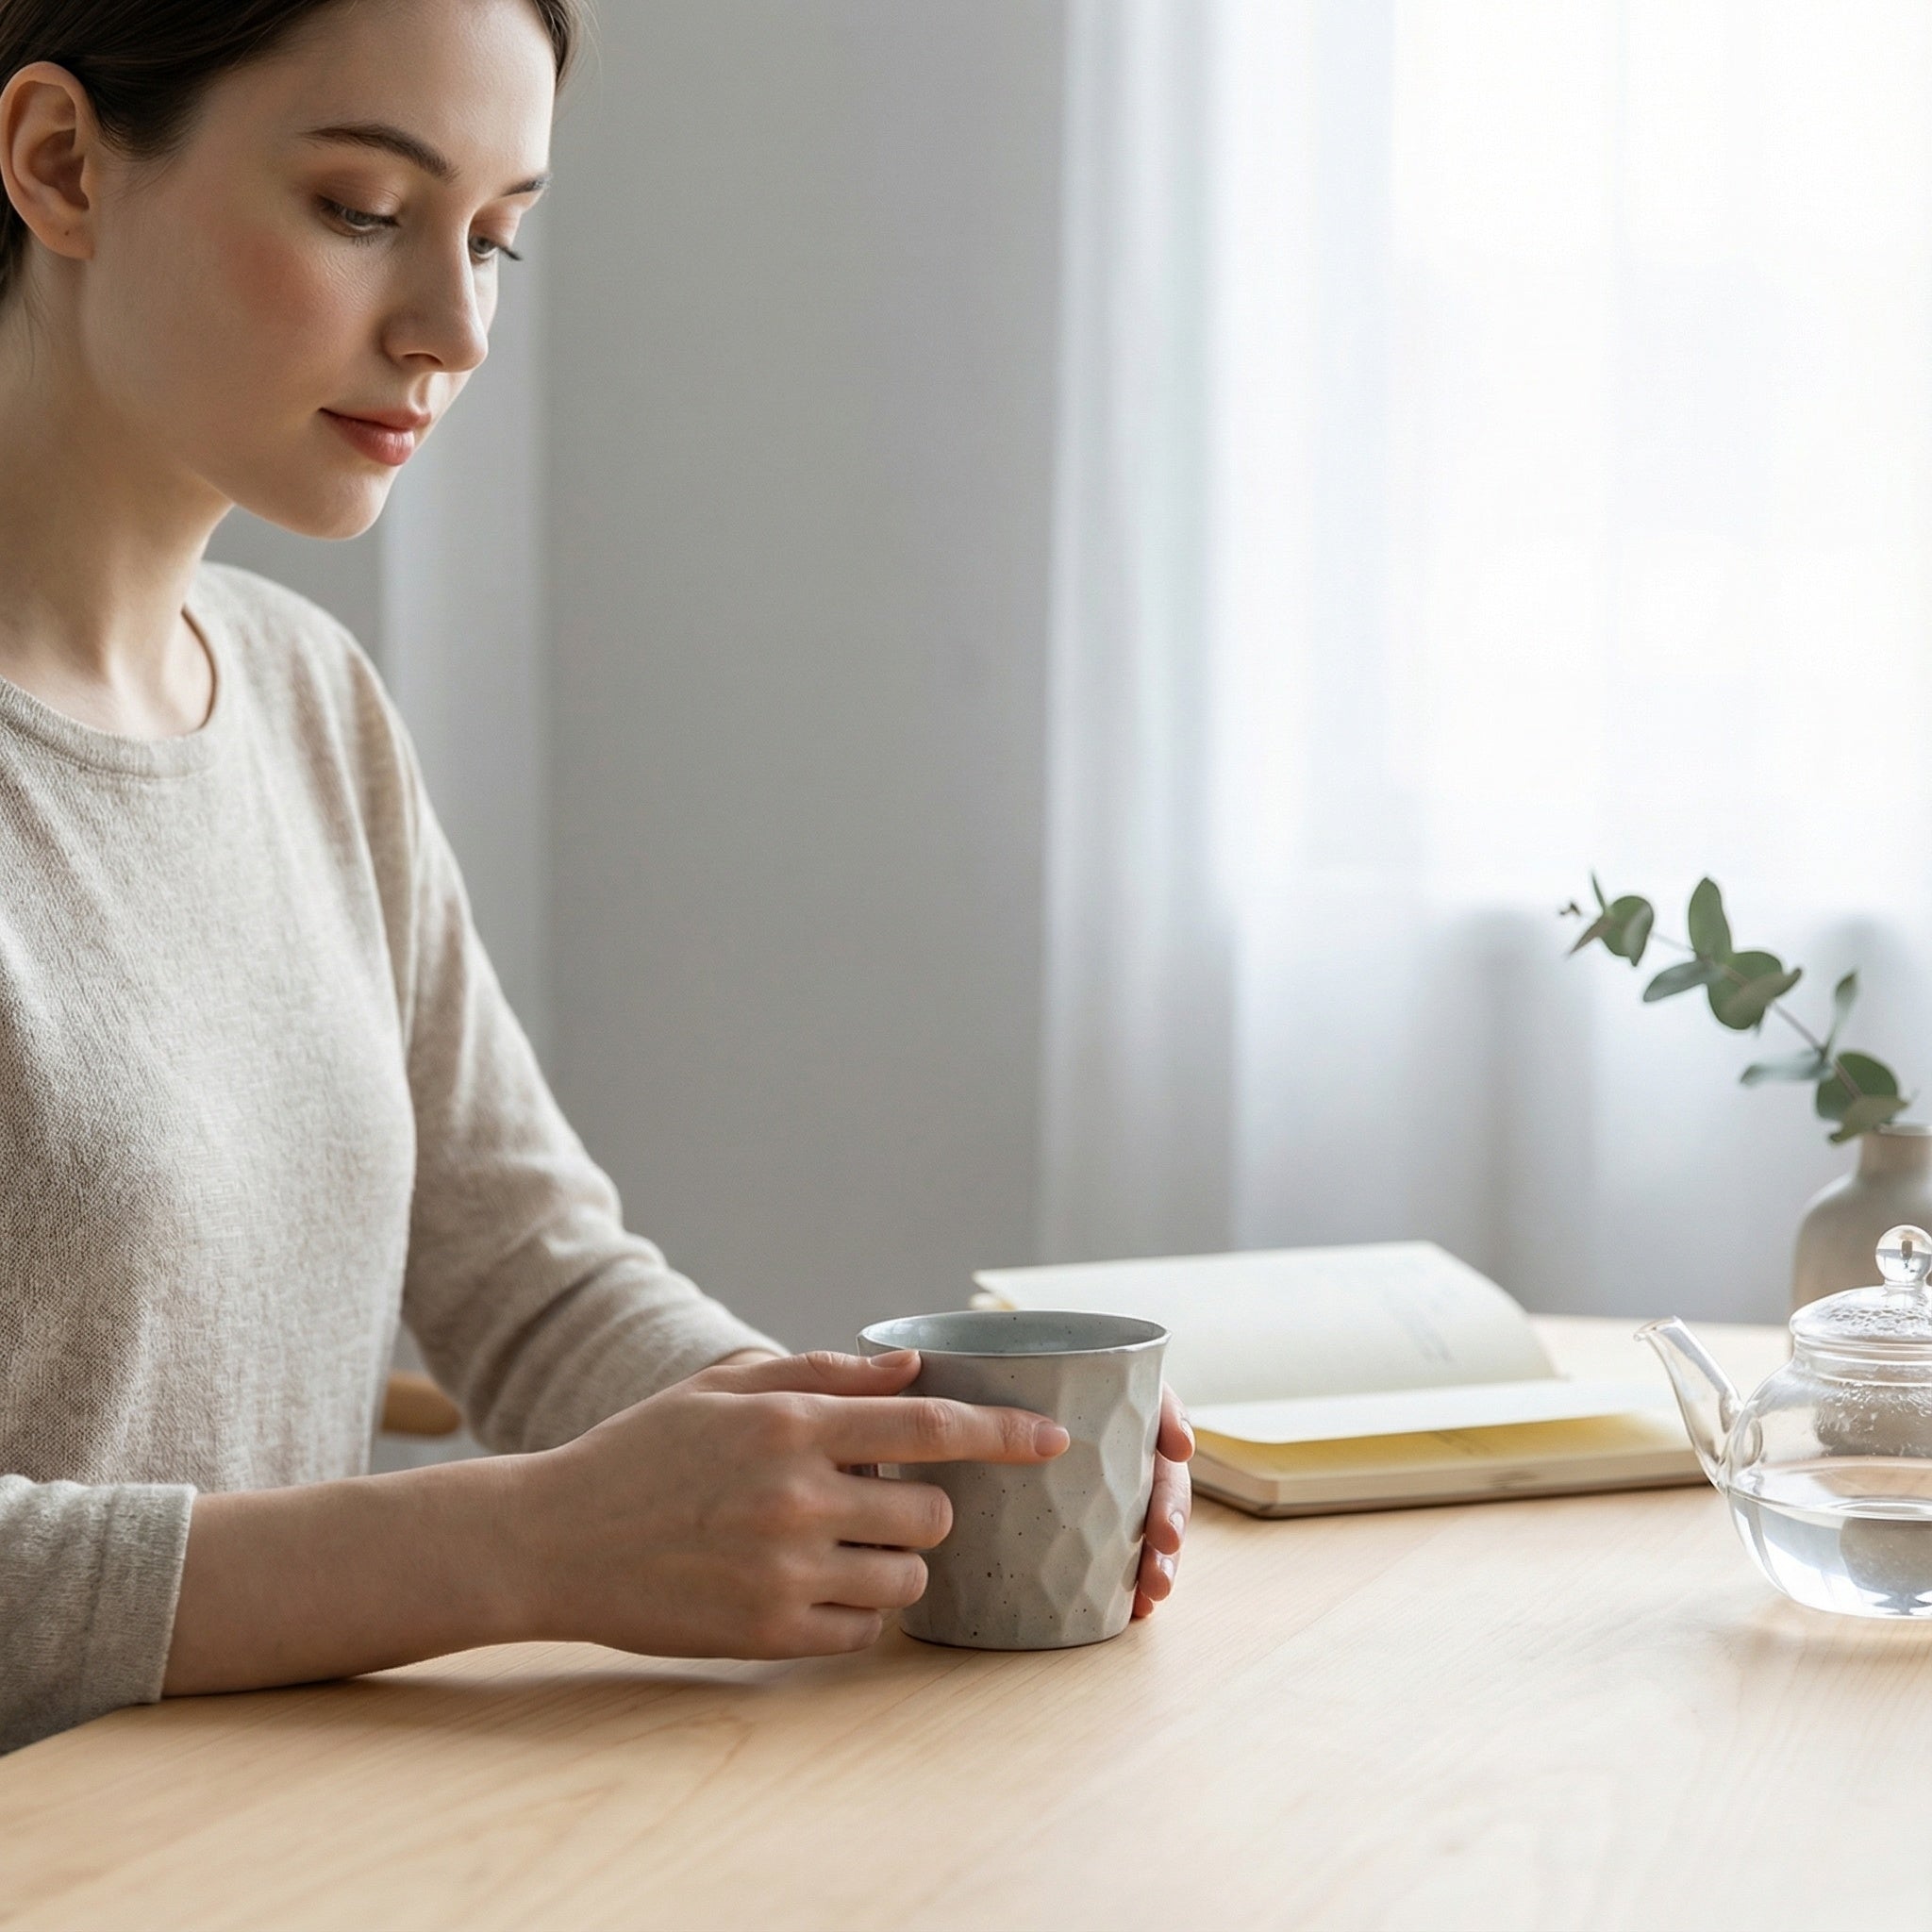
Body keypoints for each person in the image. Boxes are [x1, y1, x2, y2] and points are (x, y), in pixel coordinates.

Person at [0, 0, 1193, 1756]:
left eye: (494, 237)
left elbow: (535, 1277)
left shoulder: (309, 701)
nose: (454, 327)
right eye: (359, 209)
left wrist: (873, 1463)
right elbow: (510, 1520)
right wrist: (509, 1547)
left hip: (260, 1850)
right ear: (60, 162)